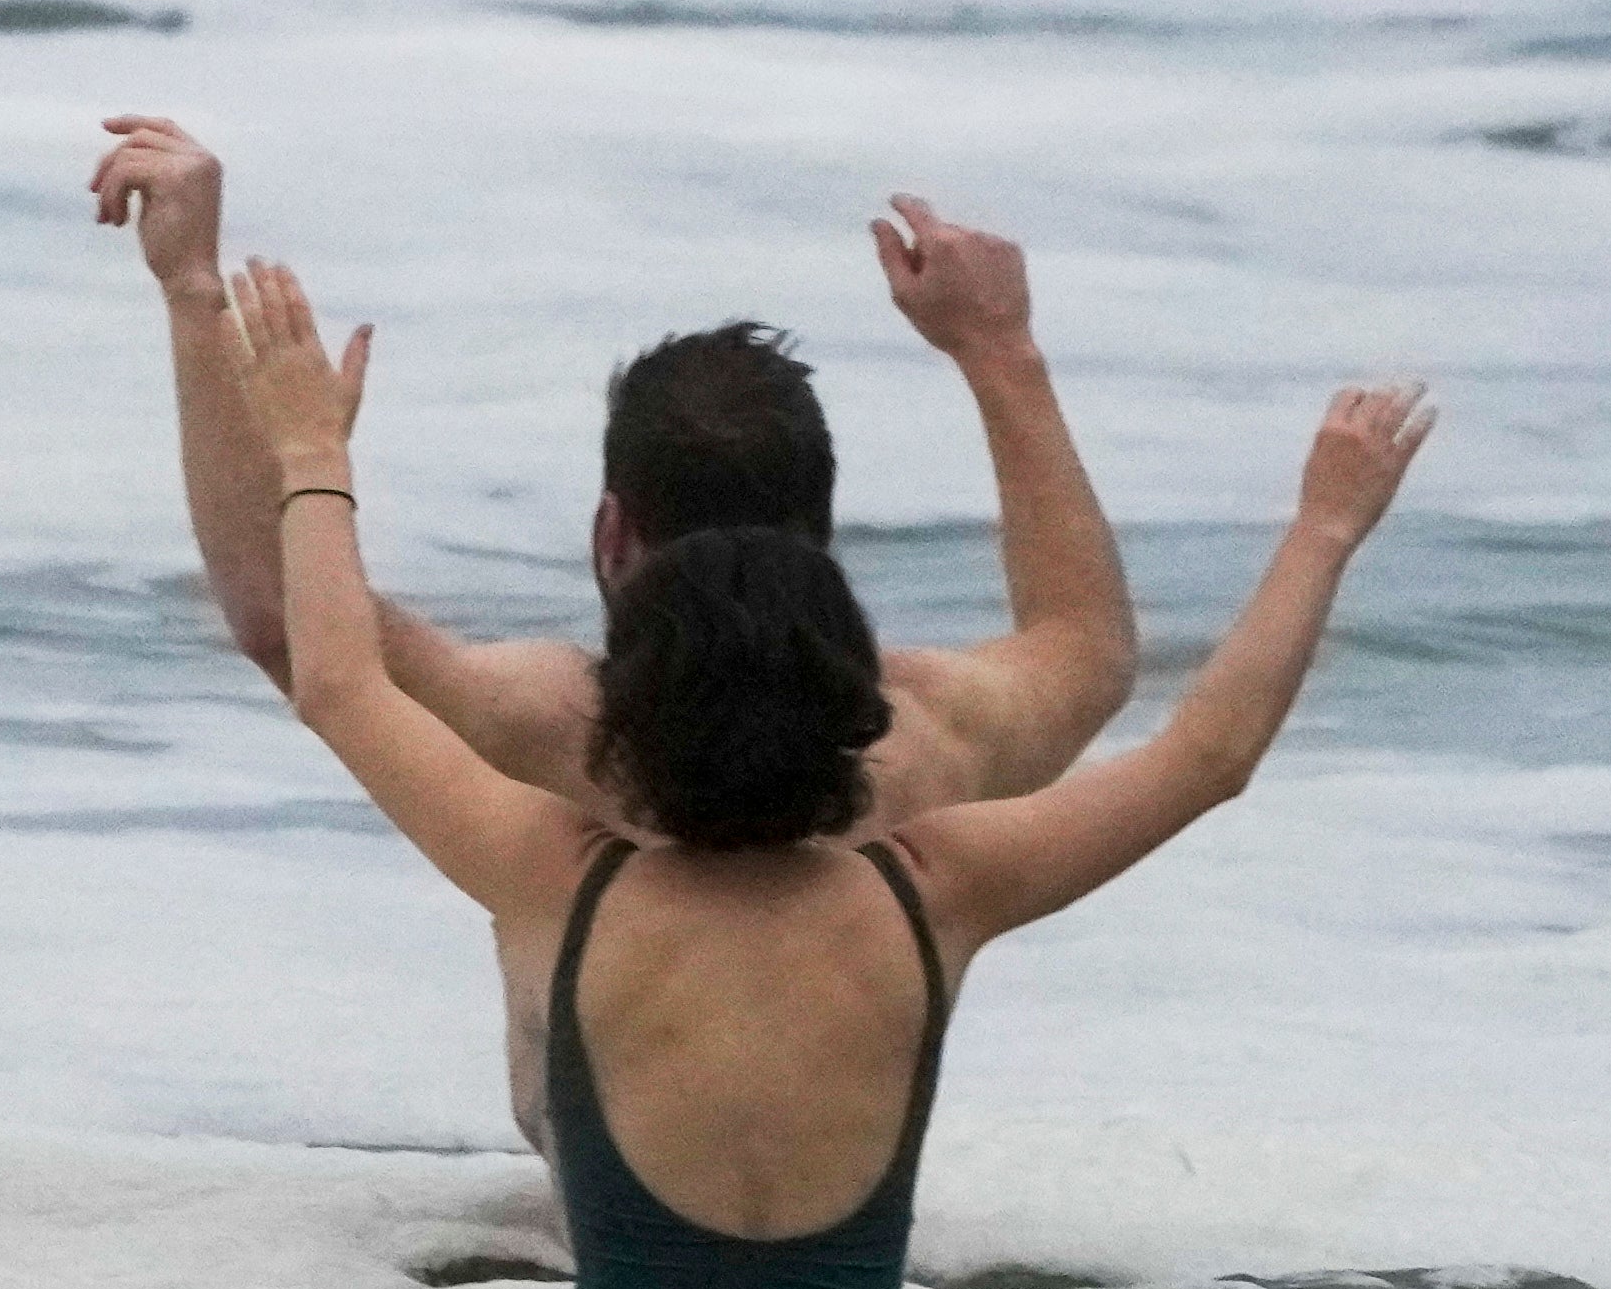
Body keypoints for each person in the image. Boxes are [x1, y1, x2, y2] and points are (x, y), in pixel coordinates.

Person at [216, 256, 1434, 1289]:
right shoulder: (934, 890)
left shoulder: (554, 879)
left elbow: (339, 680)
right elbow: (1207, 752)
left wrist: (313, 450)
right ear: (857, 692)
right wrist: (1322, 527)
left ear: (621, 704)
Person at [89, 114, 1133, 825]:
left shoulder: (562, 742)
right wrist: (1002, 353)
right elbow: (1085, 652)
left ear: (611, 534)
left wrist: (192, 290)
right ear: (820, 534)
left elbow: (288, 623)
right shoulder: (926, 744)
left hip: (590, 1164)